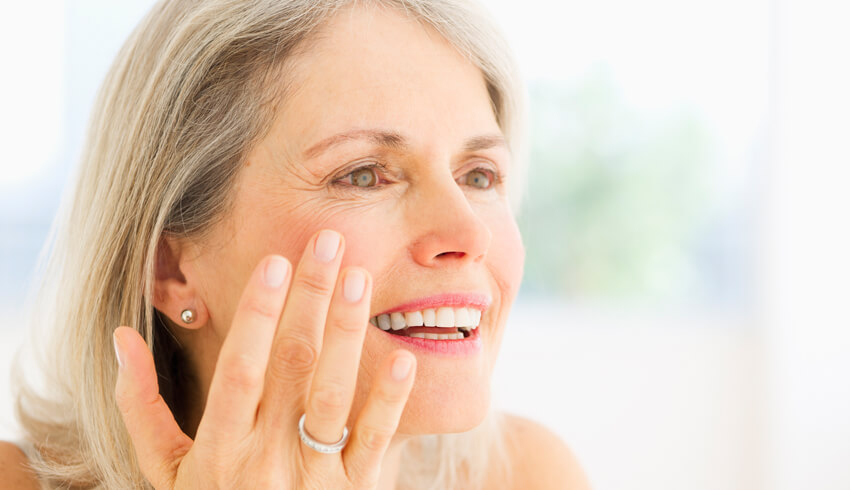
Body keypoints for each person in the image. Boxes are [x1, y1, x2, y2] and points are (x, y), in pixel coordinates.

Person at [0, 0, 590, 488]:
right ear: (170, 268)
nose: (470, 235)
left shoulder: (530, 474)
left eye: (479, 175)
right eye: (363, 174)